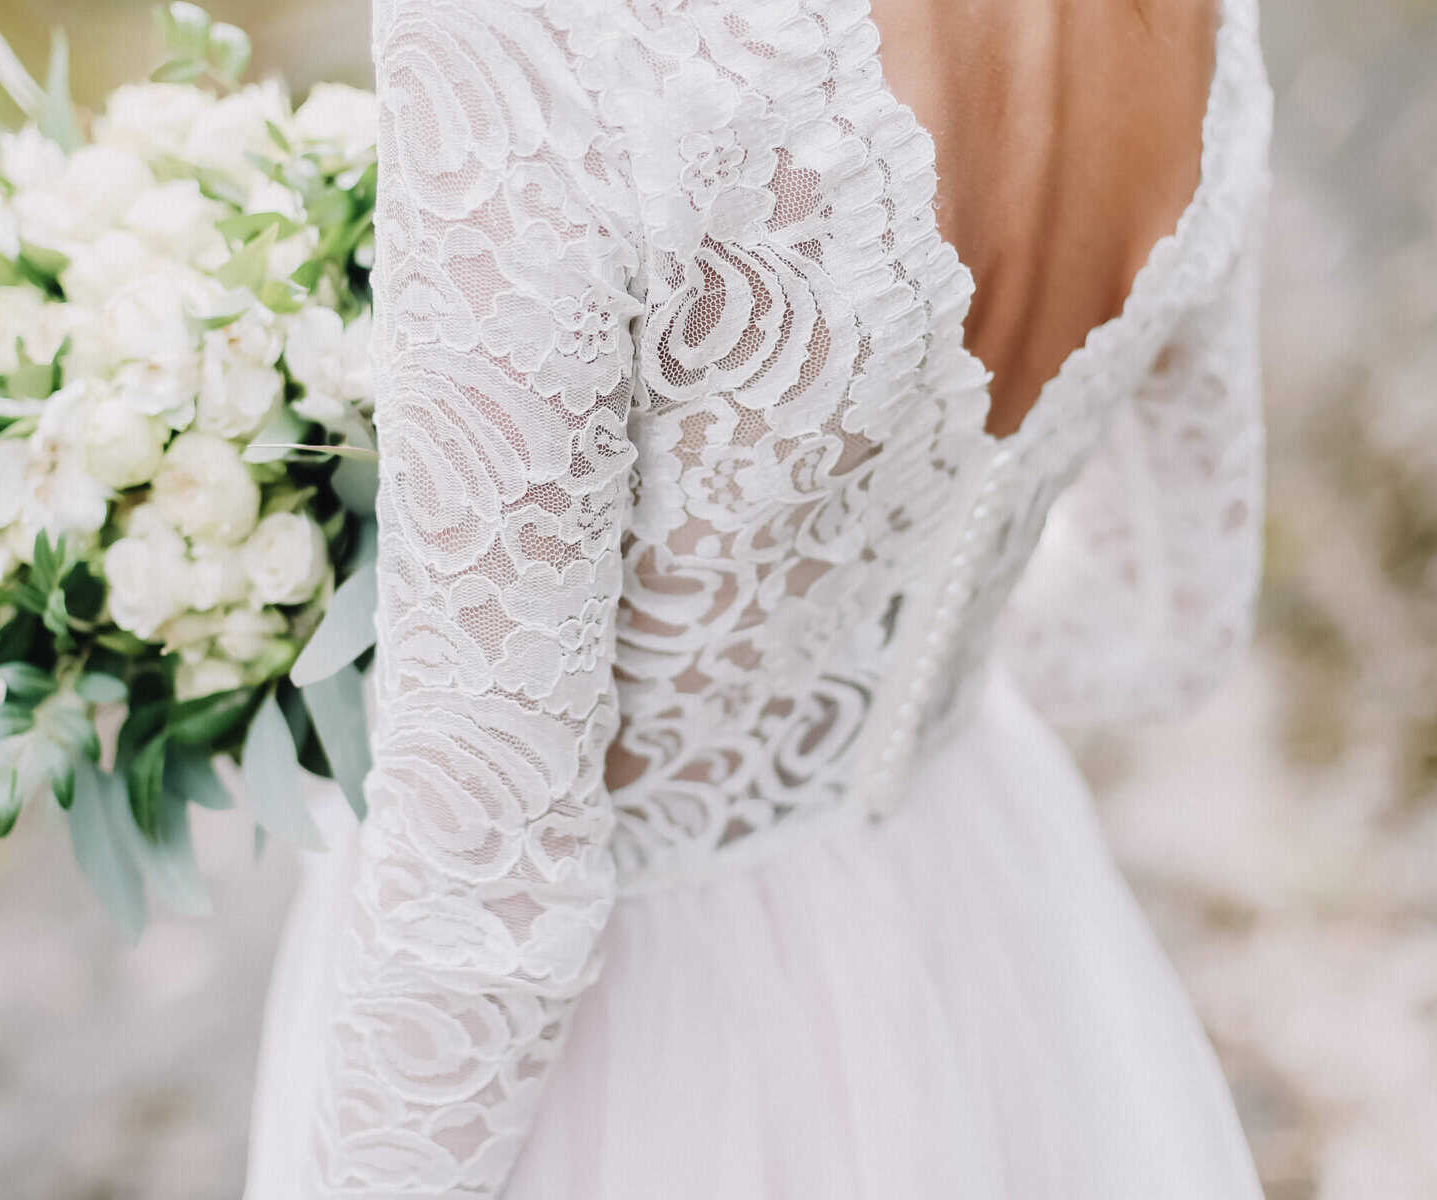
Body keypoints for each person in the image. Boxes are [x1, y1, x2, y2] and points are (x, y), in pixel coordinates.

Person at [249, 0, 1273, 1194]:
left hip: (638, 1060)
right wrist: (882, 653)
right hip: (984, 931)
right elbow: (1167, 625)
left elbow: (485, 879)